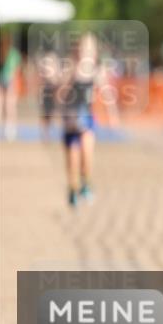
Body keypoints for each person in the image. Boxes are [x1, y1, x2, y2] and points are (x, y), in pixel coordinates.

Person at [60, 32, 100, 207]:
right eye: (82, 49)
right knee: (73, 161)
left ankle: (86, 183)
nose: (85, 53)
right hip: (70, 123)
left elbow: (103, 93)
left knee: (86, 154)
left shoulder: (96, 71)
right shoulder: (69, 71)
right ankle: (72, 189)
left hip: (87, 120)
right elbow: (59, 95)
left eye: (89, 49)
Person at [0, 30, 21, 141]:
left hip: (7, 81)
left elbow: (16, 70)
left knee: (6, 106)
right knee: (7, 106)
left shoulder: (12, 53)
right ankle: (9, 130)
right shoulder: (11, 53)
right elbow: (16, 70)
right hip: (4, 81)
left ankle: (9, 129)